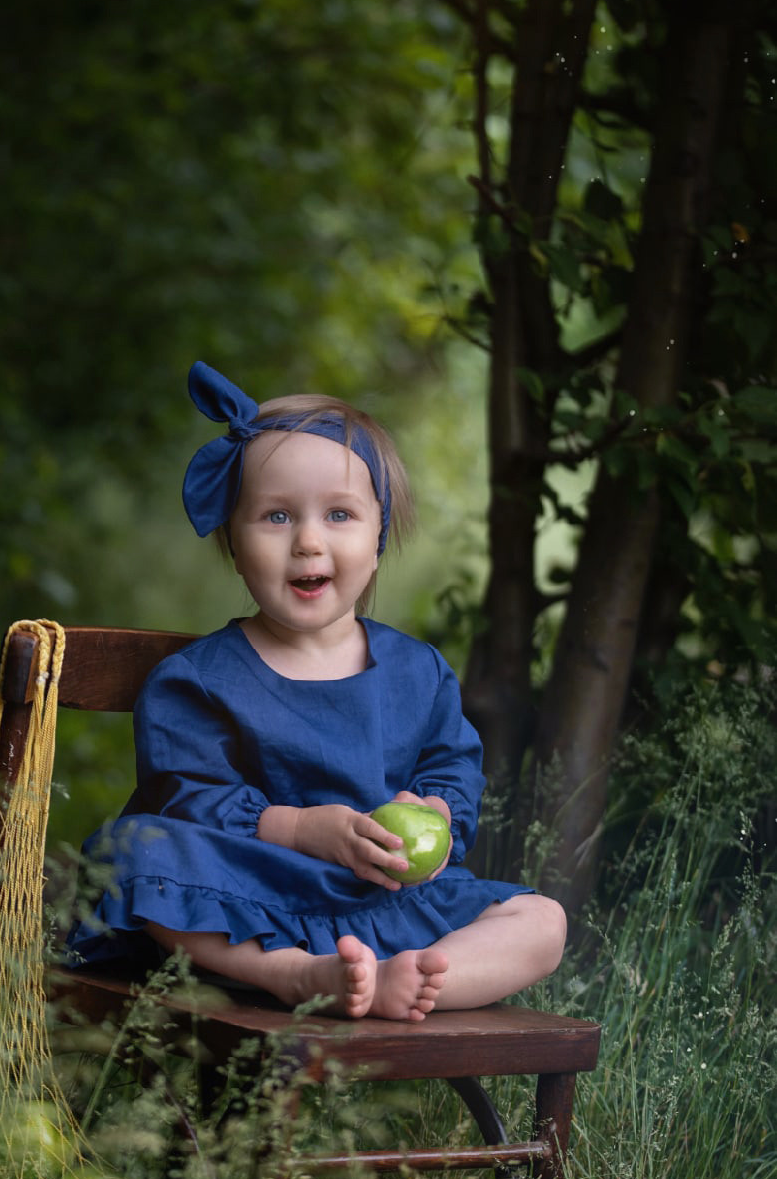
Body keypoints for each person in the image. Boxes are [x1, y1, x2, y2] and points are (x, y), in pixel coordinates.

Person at [67, 362, 566, 1021]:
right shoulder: (197, 680)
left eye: (339, 514)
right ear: (234, 544)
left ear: (378, 537)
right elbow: (188, 796)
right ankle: (298, 976)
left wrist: (440, 818)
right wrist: (302, 830)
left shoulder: (418, 673)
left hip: (381, 899)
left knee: (542, 919)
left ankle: (402, 979)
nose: (308, 542)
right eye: (276, 517)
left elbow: (450, 766)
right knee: (136, 852)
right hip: (252, 896)